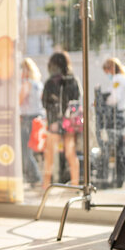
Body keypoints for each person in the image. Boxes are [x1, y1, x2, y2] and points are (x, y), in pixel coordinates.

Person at [41, 52, 82, 189]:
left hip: (54, 122)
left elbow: (45, 103)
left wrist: (53, 119)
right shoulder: (73, 80)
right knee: (71, 154)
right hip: (70, 122)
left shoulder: (50, 82)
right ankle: (75, 185)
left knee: (50, 155)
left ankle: (46, 185)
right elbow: (77, 99)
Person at [95, 57, 125, 188]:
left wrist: (102, 100)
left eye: (106, 70)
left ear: (111, 68)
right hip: (121, 116)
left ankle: (107, 178)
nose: (107, 74)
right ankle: (119, 178)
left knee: (110, 148)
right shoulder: (124, 79)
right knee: (119, 149)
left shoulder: (118, 79)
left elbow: (114, 99)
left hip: (115, 118)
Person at [19, 58, 44, 188]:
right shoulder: (38, 84)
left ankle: (34, 177)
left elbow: (19, 100)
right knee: (31, 150)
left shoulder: (27, 84)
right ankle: (33, 177)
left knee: (25, 151)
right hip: (37, 118)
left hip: (27, 119)